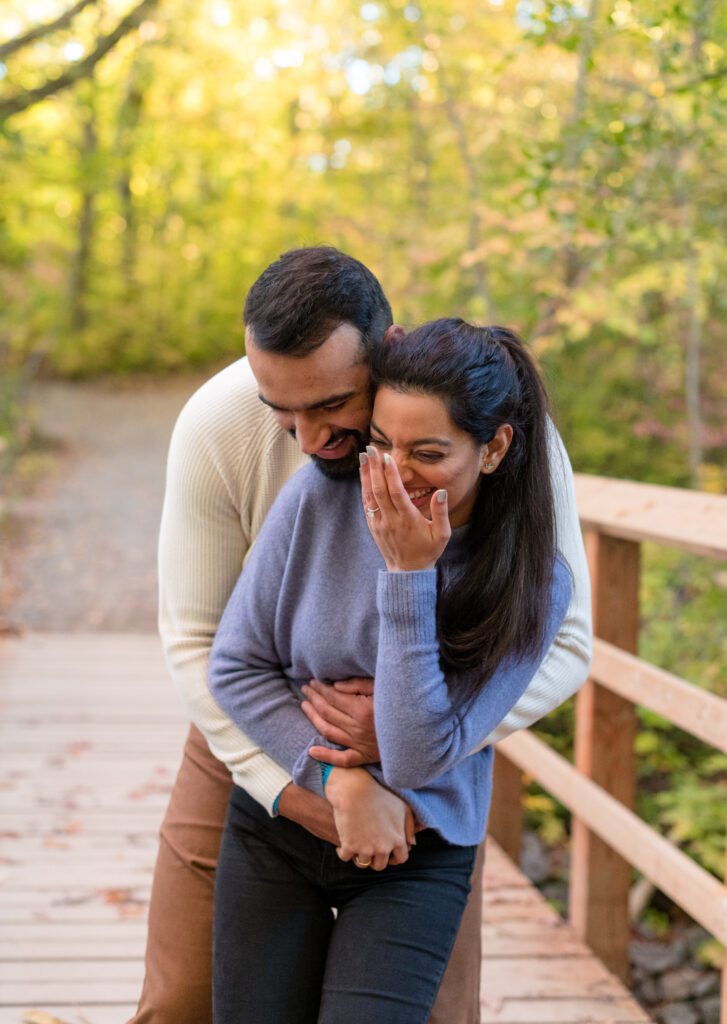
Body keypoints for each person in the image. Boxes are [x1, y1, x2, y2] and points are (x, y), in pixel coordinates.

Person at [128, 247, 592, 1024]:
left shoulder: (492, 427)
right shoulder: (219, 424)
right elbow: (201, 645)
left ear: (387, 349)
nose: (309, 440)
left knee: (437, 1012)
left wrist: (414, 736)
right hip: (257, 722)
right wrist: (318, 782)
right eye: (283, 412)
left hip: (434, 757)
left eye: (334, 405)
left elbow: (567, 640)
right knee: (181, 998)